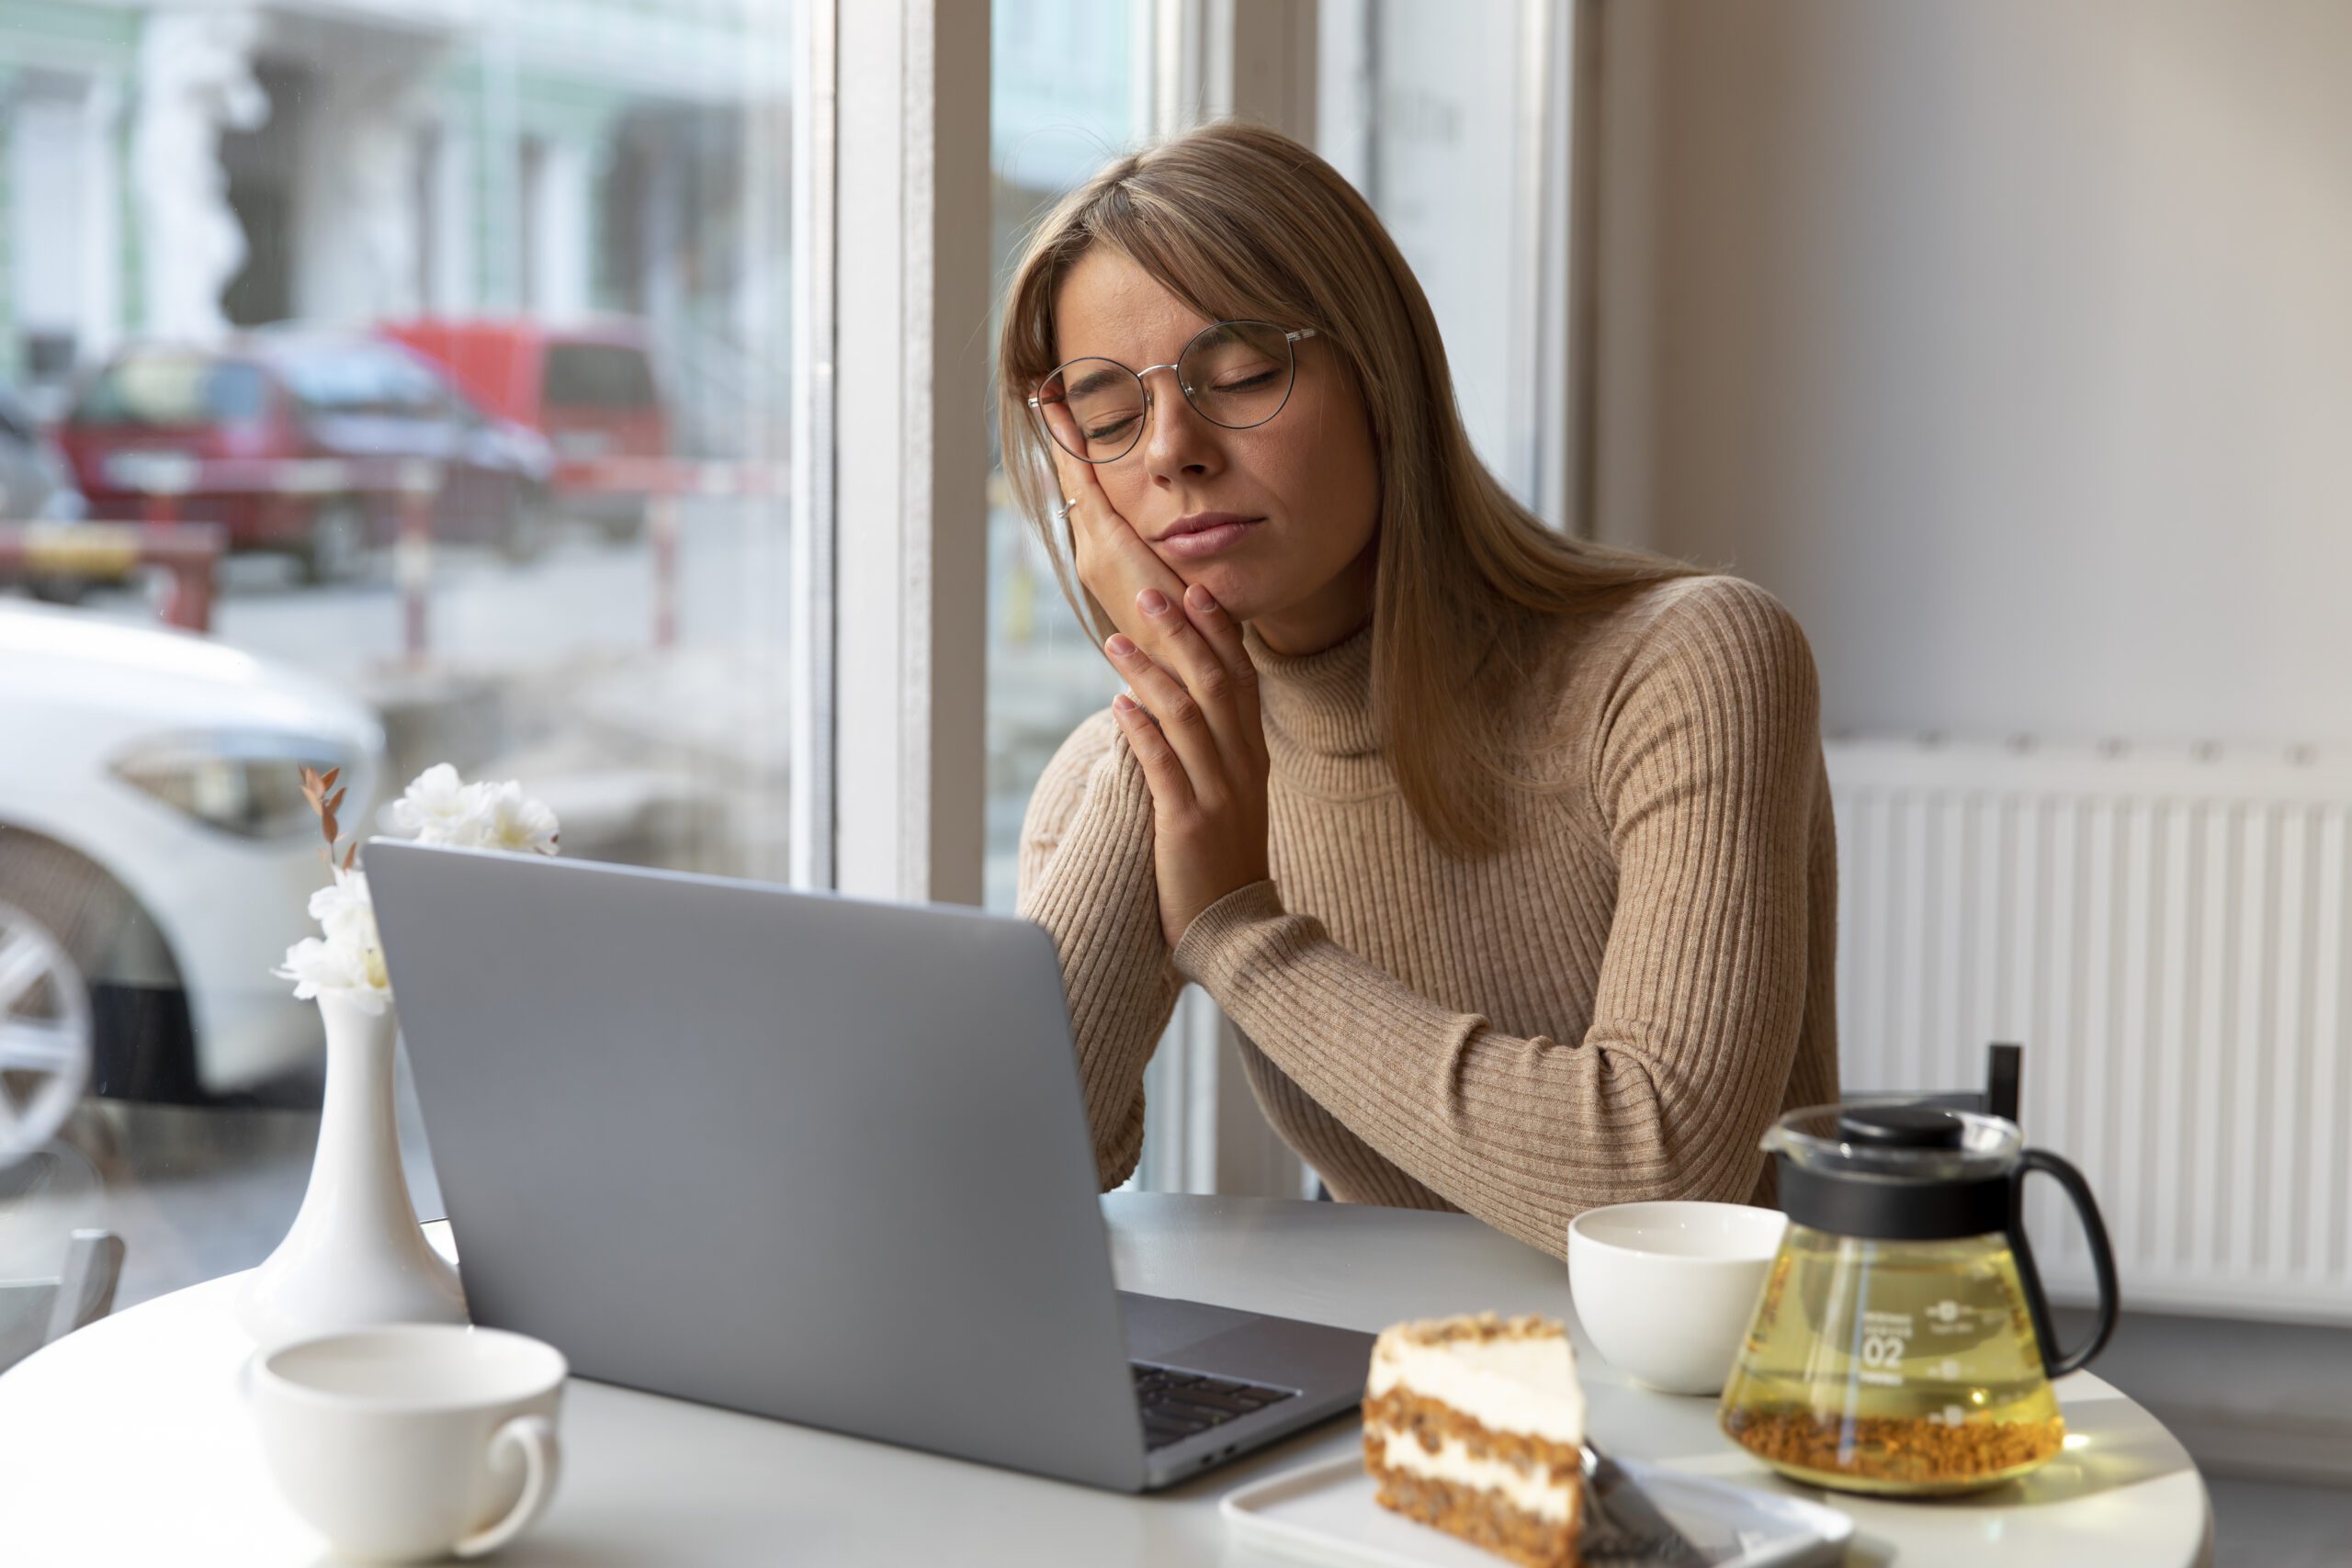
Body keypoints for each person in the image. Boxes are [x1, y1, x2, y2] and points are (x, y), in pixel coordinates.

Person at [995, 119, 1836, 1259]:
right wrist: (1165, 676)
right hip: (1394, 1389)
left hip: (1707, 1405)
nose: (1170, 452)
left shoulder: (1685, 664)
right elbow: (1002, 1169)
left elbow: (1659, 1179)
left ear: (1382, 373)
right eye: (1108, 417)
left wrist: (1234, 932)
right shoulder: (1134, 767)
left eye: (1240, 373)